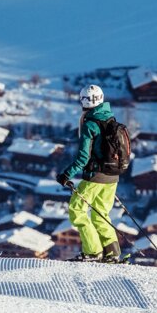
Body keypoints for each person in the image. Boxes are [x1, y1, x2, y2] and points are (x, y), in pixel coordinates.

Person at [56, 84, 121, 262]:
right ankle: (112, 252)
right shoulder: (111, 119)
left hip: (95, 176)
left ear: (83, 101)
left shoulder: (90, 123)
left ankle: (93, 251)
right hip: (113, 175)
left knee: (77, 210)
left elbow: (83, 157)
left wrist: (66, 174)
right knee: (101, 213)